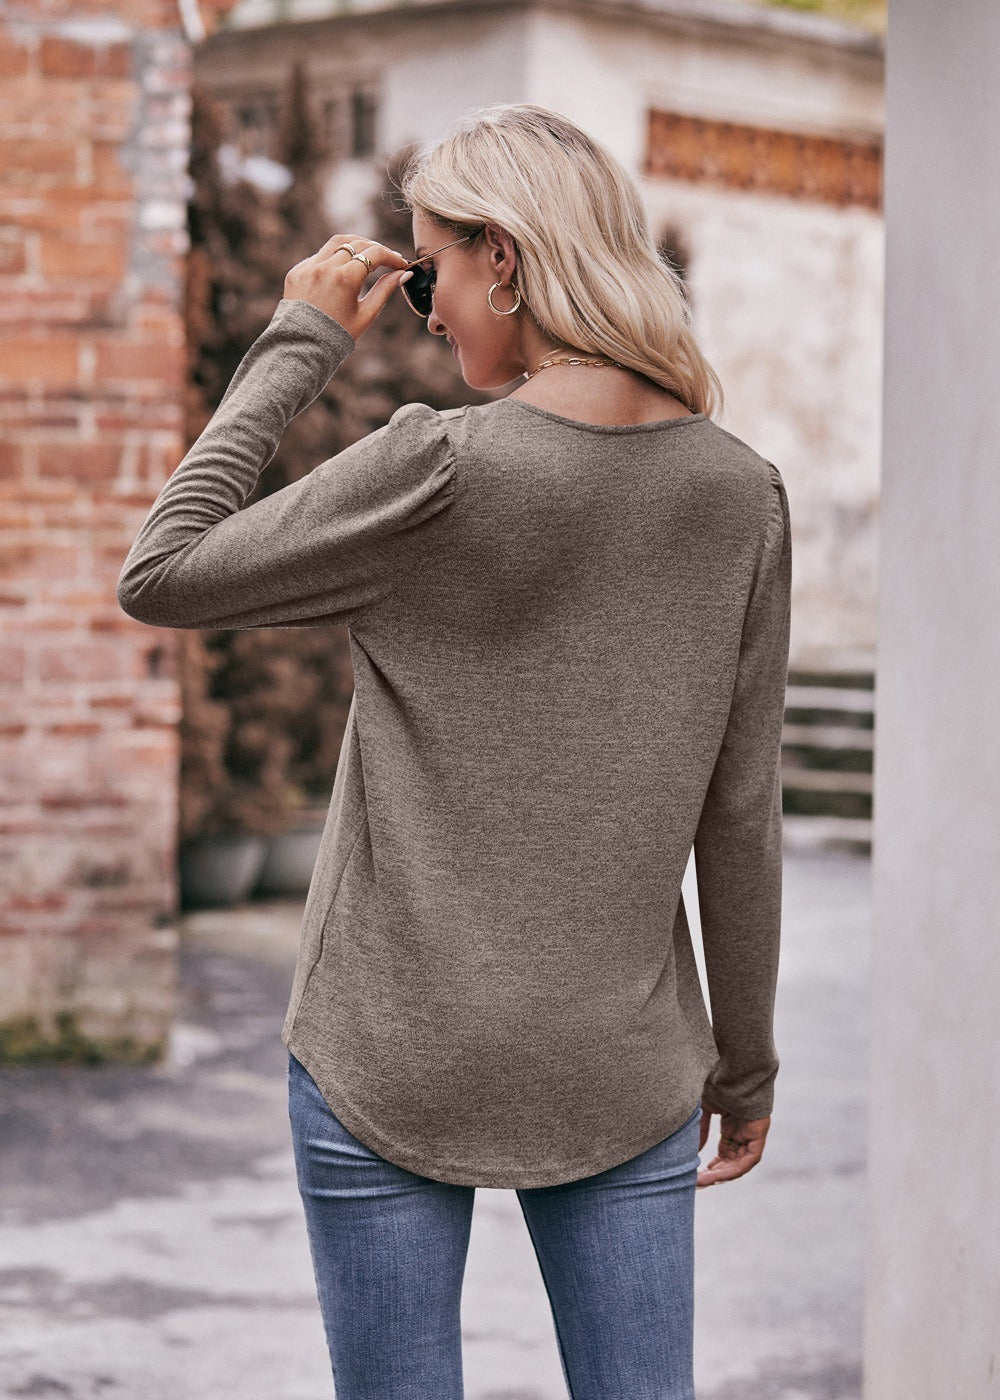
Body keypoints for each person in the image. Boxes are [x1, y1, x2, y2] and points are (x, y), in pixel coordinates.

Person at [117, 102, 791, 1400]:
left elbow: (164, 571)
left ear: (507, 259)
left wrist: (301, 335)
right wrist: (745, 1062)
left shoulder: (432, 468)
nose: (425, 309)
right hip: (623, 1062)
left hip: (387, 1043)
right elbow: (741, 814)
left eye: (431, 271)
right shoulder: (736, 492)